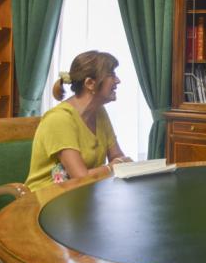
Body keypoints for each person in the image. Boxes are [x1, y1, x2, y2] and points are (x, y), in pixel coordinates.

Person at [25, 51, 131, 191]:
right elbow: (80, 177)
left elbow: (118, 156)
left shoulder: (99, 112)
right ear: (90, 83)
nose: (117, 81)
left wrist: (117, 163)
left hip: (84, 195)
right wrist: (112, 166)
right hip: (46, 201)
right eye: (111, 75)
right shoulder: (59, 119)